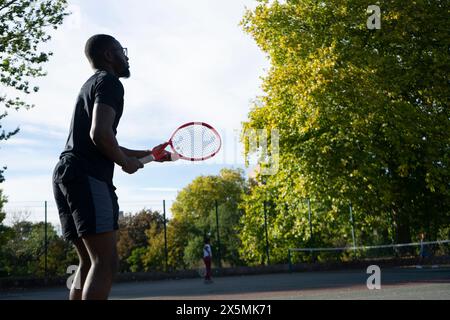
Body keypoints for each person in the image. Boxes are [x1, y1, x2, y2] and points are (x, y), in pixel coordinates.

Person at [52, 34, 175, 300]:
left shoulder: (90, 84)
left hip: (66, 173)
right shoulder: (110, 82)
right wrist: (125, 162)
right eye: (122, 50)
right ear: (109, 55)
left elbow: (103, 141)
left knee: (88, 262)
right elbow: (101, 135)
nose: (126, 56)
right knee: (105, 263)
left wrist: (149, 154)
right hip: (86, 176)